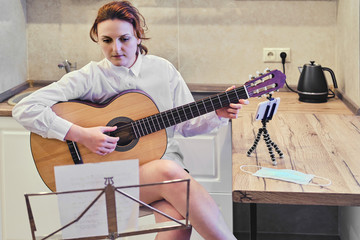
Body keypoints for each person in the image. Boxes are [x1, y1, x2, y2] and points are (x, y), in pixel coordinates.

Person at [13, 1, 249, 239]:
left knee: (177, 225)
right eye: (107, 40)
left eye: (124, 39)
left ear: (138, 36)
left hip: (157, 173)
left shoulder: (162, 70)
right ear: (98, 39)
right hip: (106, 177)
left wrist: (217, 114)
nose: (116, 48)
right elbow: (24, 108)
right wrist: (81, 134)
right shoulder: (89, 77)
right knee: (169, 171)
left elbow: (185, 126)